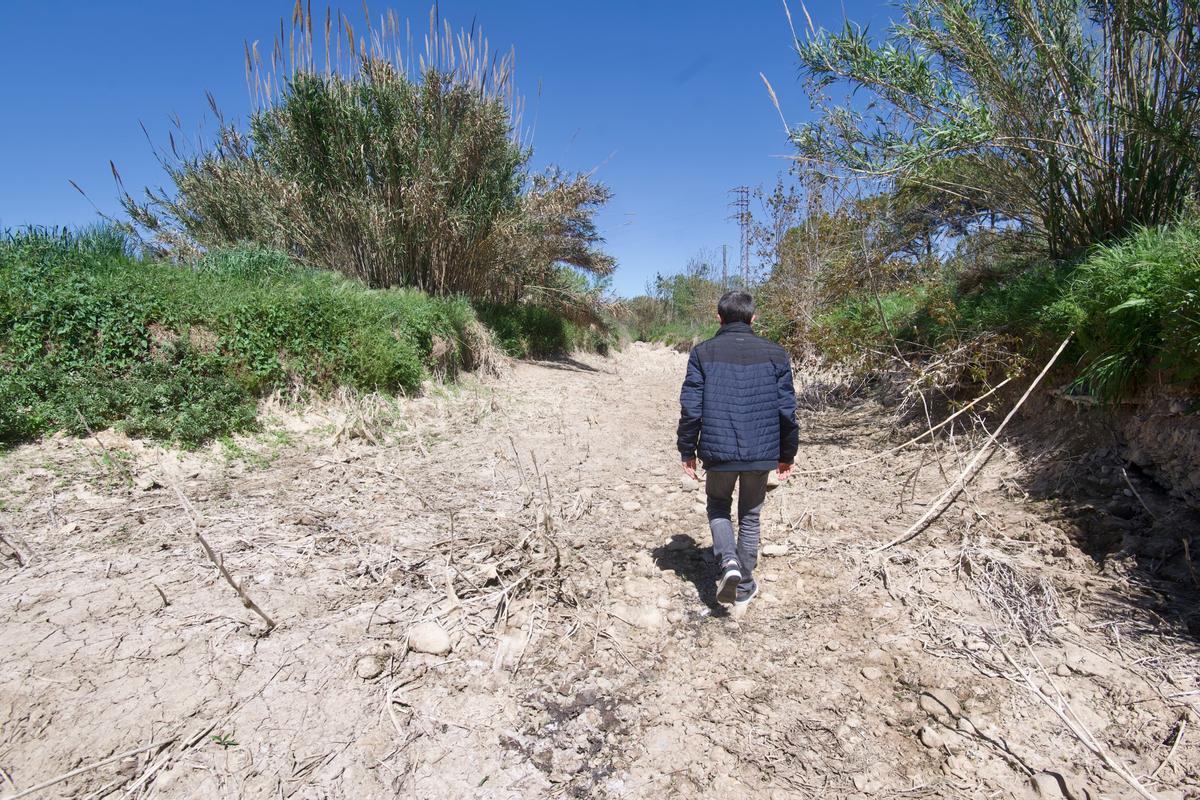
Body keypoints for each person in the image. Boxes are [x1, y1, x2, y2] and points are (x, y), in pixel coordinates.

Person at [676, 290, 799, 608]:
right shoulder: (776, 353)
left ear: (719, 318)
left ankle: (728, 562)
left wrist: (687, 449)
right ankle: (743, 583)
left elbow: (691, 408)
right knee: (750, 514)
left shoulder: (703, 353)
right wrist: (788, 453)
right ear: (753, 318)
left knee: (718, 506)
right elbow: (787, 409)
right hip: (761, 451)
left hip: (718, 452)